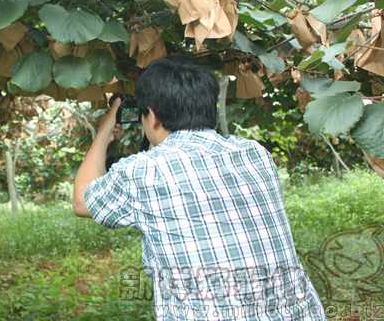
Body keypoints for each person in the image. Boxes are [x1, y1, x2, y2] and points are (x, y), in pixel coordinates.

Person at [72, 55, 327, 320]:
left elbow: (82, 201)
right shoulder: (255, 154)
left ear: (153, 117)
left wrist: (104, 131)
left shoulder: (143, 171)